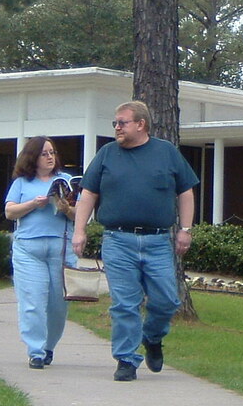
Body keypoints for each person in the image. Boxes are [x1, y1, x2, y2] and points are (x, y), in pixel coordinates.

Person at [72, 100, 198, 382]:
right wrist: (79, 230)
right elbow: (88, 194)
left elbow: (186, 192)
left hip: (157, 241)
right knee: (125, 303)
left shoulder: (166, 152)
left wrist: (185, 229)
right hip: (118, 240)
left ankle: (152, 337)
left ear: (140, 124)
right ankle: (126, 359)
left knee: (167, 300)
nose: (116, 127)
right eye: (115, 123)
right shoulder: (107, 154)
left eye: (122, 122)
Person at [4, 136, 75, 369]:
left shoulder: (66, 180)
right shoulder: (22, 183)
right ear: (32, 157)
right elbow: (10, 212)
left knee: (57, 304)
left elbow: (81, 214)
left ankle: (48, 347)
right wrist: (34, 204)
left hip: (60, 248)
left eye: (52, 152)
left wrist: (65, 207)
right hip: (28, 250)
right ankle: (35, 351)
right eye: (44, 153)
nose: (50, 157)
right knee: (33, 301)